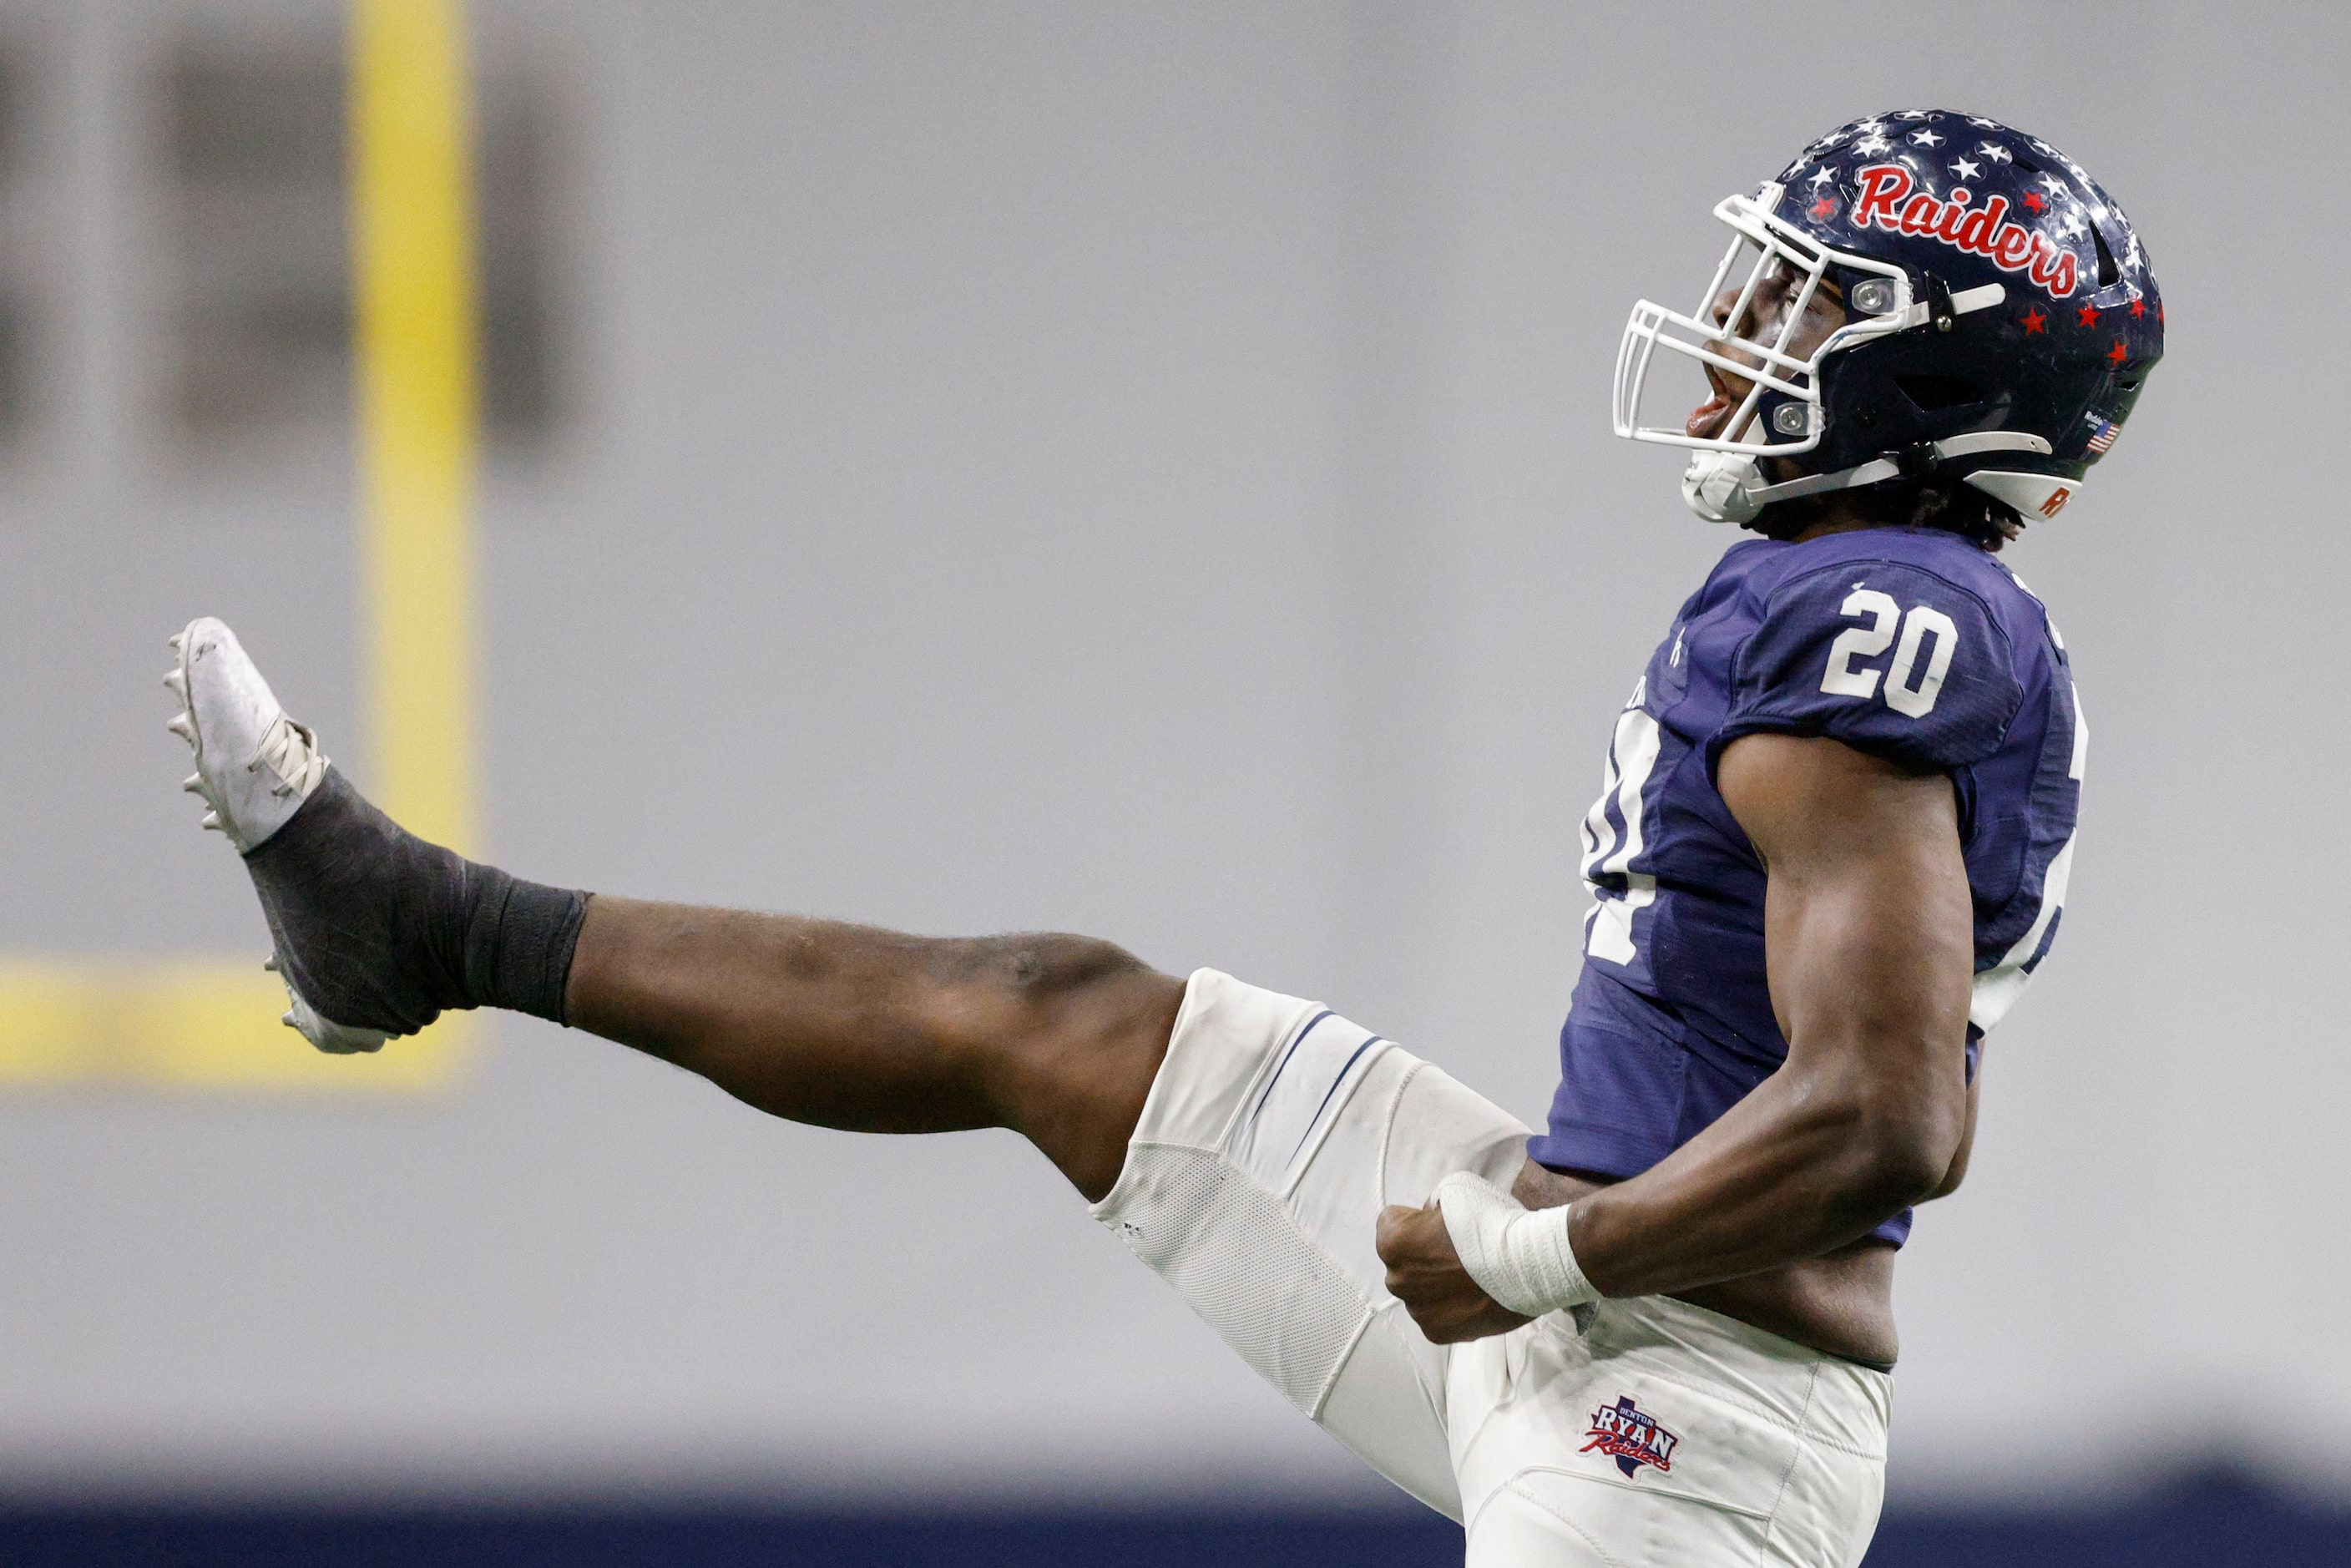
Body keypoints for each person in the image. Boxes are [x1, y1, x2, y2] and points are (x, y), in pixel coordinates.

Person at [162, 110, 2159, 1566]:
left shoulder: (1887, 618)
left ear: (1927, 370)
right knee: (1053, 1014)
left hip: (1682, 1415)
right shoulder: (1845, 595)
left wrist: (1548, 1254)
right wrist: (1535, 1245)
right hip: (1556, 1266)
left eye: (1811, 295)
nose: (1740, 323)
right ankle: (414, 928)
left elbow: (1889, 1114)